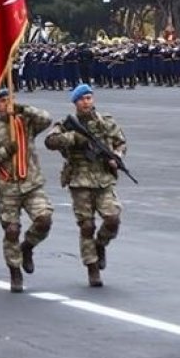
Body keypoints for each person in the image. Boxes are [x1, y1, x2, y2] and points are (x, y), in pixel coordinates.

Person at [44, 84, 127, 287]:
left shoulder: (106, 122)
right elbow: (50, 141)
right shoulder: (67, 124)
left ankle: (101, 244)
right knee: (87, 225)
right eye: (82, 99)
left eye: (89, 98)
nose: (86, 102)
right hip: (80, 181)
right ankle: (92, 268)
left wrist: (116, 156)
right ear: (75, 103)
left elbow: (121, 142)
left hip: (103, 179)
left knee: (112, 219)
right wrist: (75, 138)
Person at [0, 89, 54, 292]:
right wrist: (4, 152)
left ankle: (27, 247)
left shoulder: (25, 122)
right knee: (11, 231)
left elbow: (47, 119)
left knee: (44, 219)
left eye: (9, 100)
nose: (6, 104)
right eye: (2, 101)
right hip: (7, 187)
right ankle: (14, 271)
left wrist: (21, 109)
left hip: (31, 183)